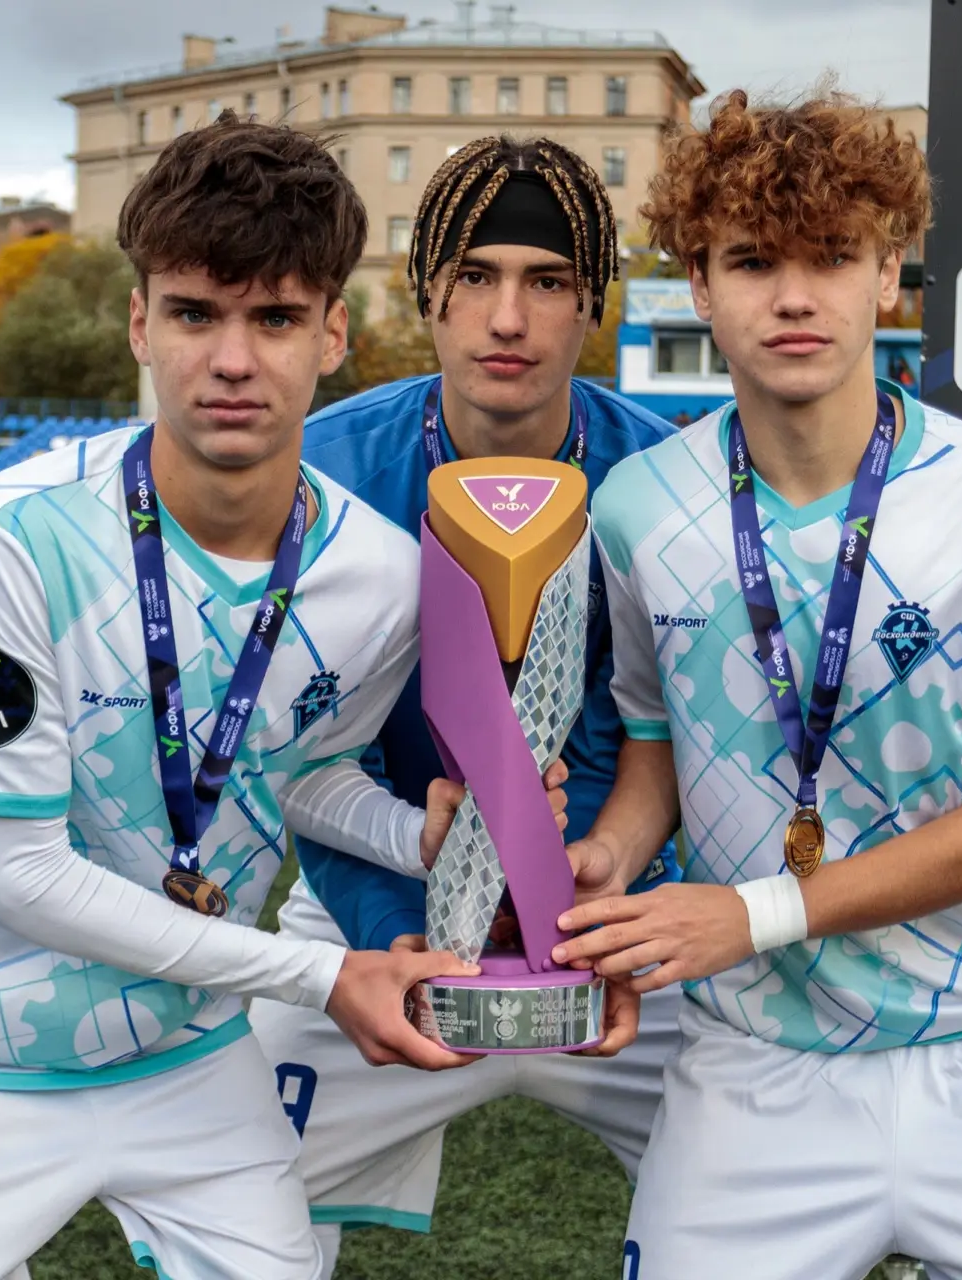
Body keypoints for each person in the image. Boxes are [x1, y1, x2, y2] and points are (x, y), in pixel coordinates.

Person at [0, 114, 477, 1280]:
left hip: (180, 1050)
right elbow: (21, 873)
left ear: (334, 334)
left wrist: (414, 832)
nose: (232, 359)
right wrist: (321, 974)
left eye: (275, 318)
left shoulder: (382, 576)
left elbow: (299, 769)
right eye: (195, 314)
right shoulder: (15, 535)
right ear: (140, 325)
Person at [562, 91, 962, 1279]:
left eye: (832, 256)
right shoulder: (637, 509)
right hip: (754, 1059)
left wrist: (756, 910)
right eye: (752, 261)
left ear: (889, 276)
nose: (794, 296)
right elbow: (659, 743)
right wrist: (609, 854)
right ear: (698, 284)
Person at [249, 134, 681, 1275]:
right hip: (379, 898)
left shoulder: (666, 483)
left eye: (548, 281)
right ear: (426, 294)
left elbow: (664, 736)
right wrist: (385, 923)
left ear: (591, 303)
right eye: (475, 277)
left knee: (769, 1200)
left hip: (617, 925)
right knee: (234, 1191)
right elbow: (296, 752)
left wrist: (595, 892)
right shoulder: (318, 475)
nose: (509, 318)